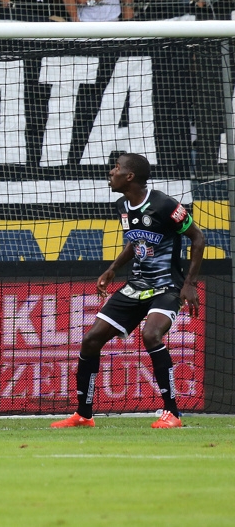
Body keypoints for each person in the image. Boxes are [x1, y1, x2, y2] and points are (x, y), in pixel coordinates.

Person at [51, 153, 205, 430]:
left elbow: (198, 237)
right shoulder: (122, 204)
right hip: (135, 286)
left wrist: (189, 283)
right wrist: (112, 269)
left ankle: (172, 413)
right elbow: (137, 243)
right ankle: (83, 415)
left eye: (117, 168)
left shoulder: (164, 204)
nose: (111, 172)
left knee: (151, 334)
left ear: (130, 176)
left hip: (166, 287)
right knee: (91, 340)